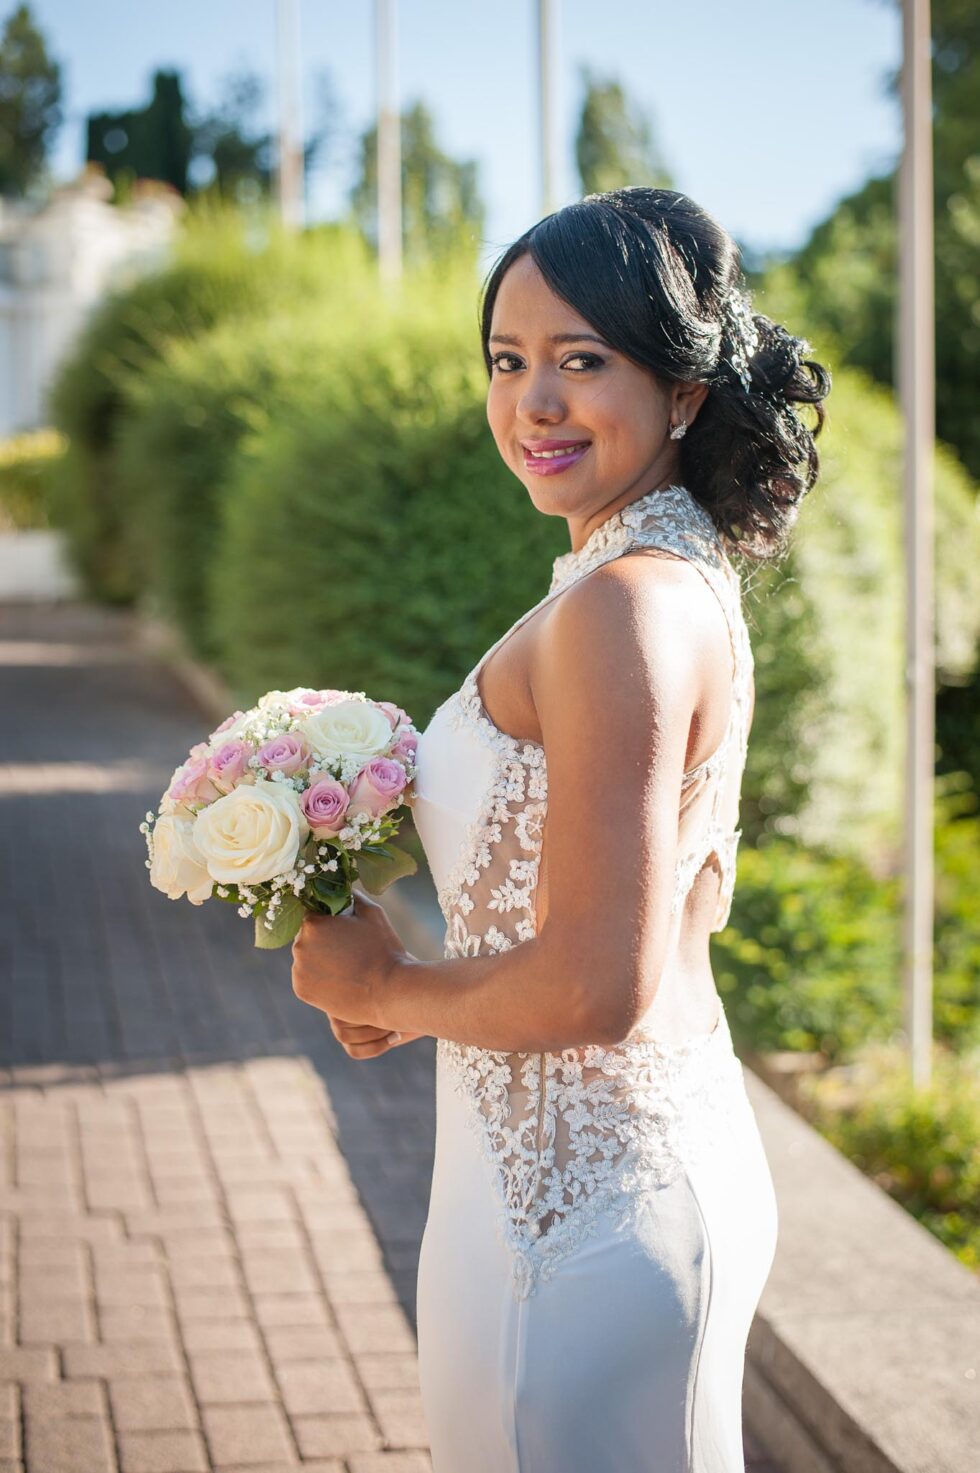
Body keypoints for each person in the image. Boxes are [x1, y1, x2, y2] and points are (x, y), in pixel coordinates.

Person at [291, 186, 832, 1472]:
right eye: (507, 360)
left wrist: (392, 984)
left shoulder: (622, 608)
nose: (532, 402)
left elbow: (596, 980)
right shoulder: (651, 577)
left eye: (580, 361)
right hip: (564, 1184)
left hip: (580, 1220)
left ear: (683, 390)